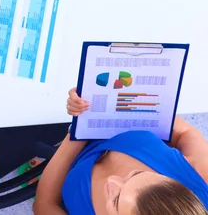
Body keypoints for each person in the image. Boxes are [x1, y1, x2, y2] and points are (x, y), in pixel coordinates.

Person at [34, 88, 208, 215]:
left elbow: (44, 204)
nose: (112, 180)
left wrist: (78, 132)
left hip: (72, 141)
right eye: (136, 173)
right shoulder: (202, 176)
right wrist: (119, 98)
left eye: (116, 201)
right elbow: (184, 132)